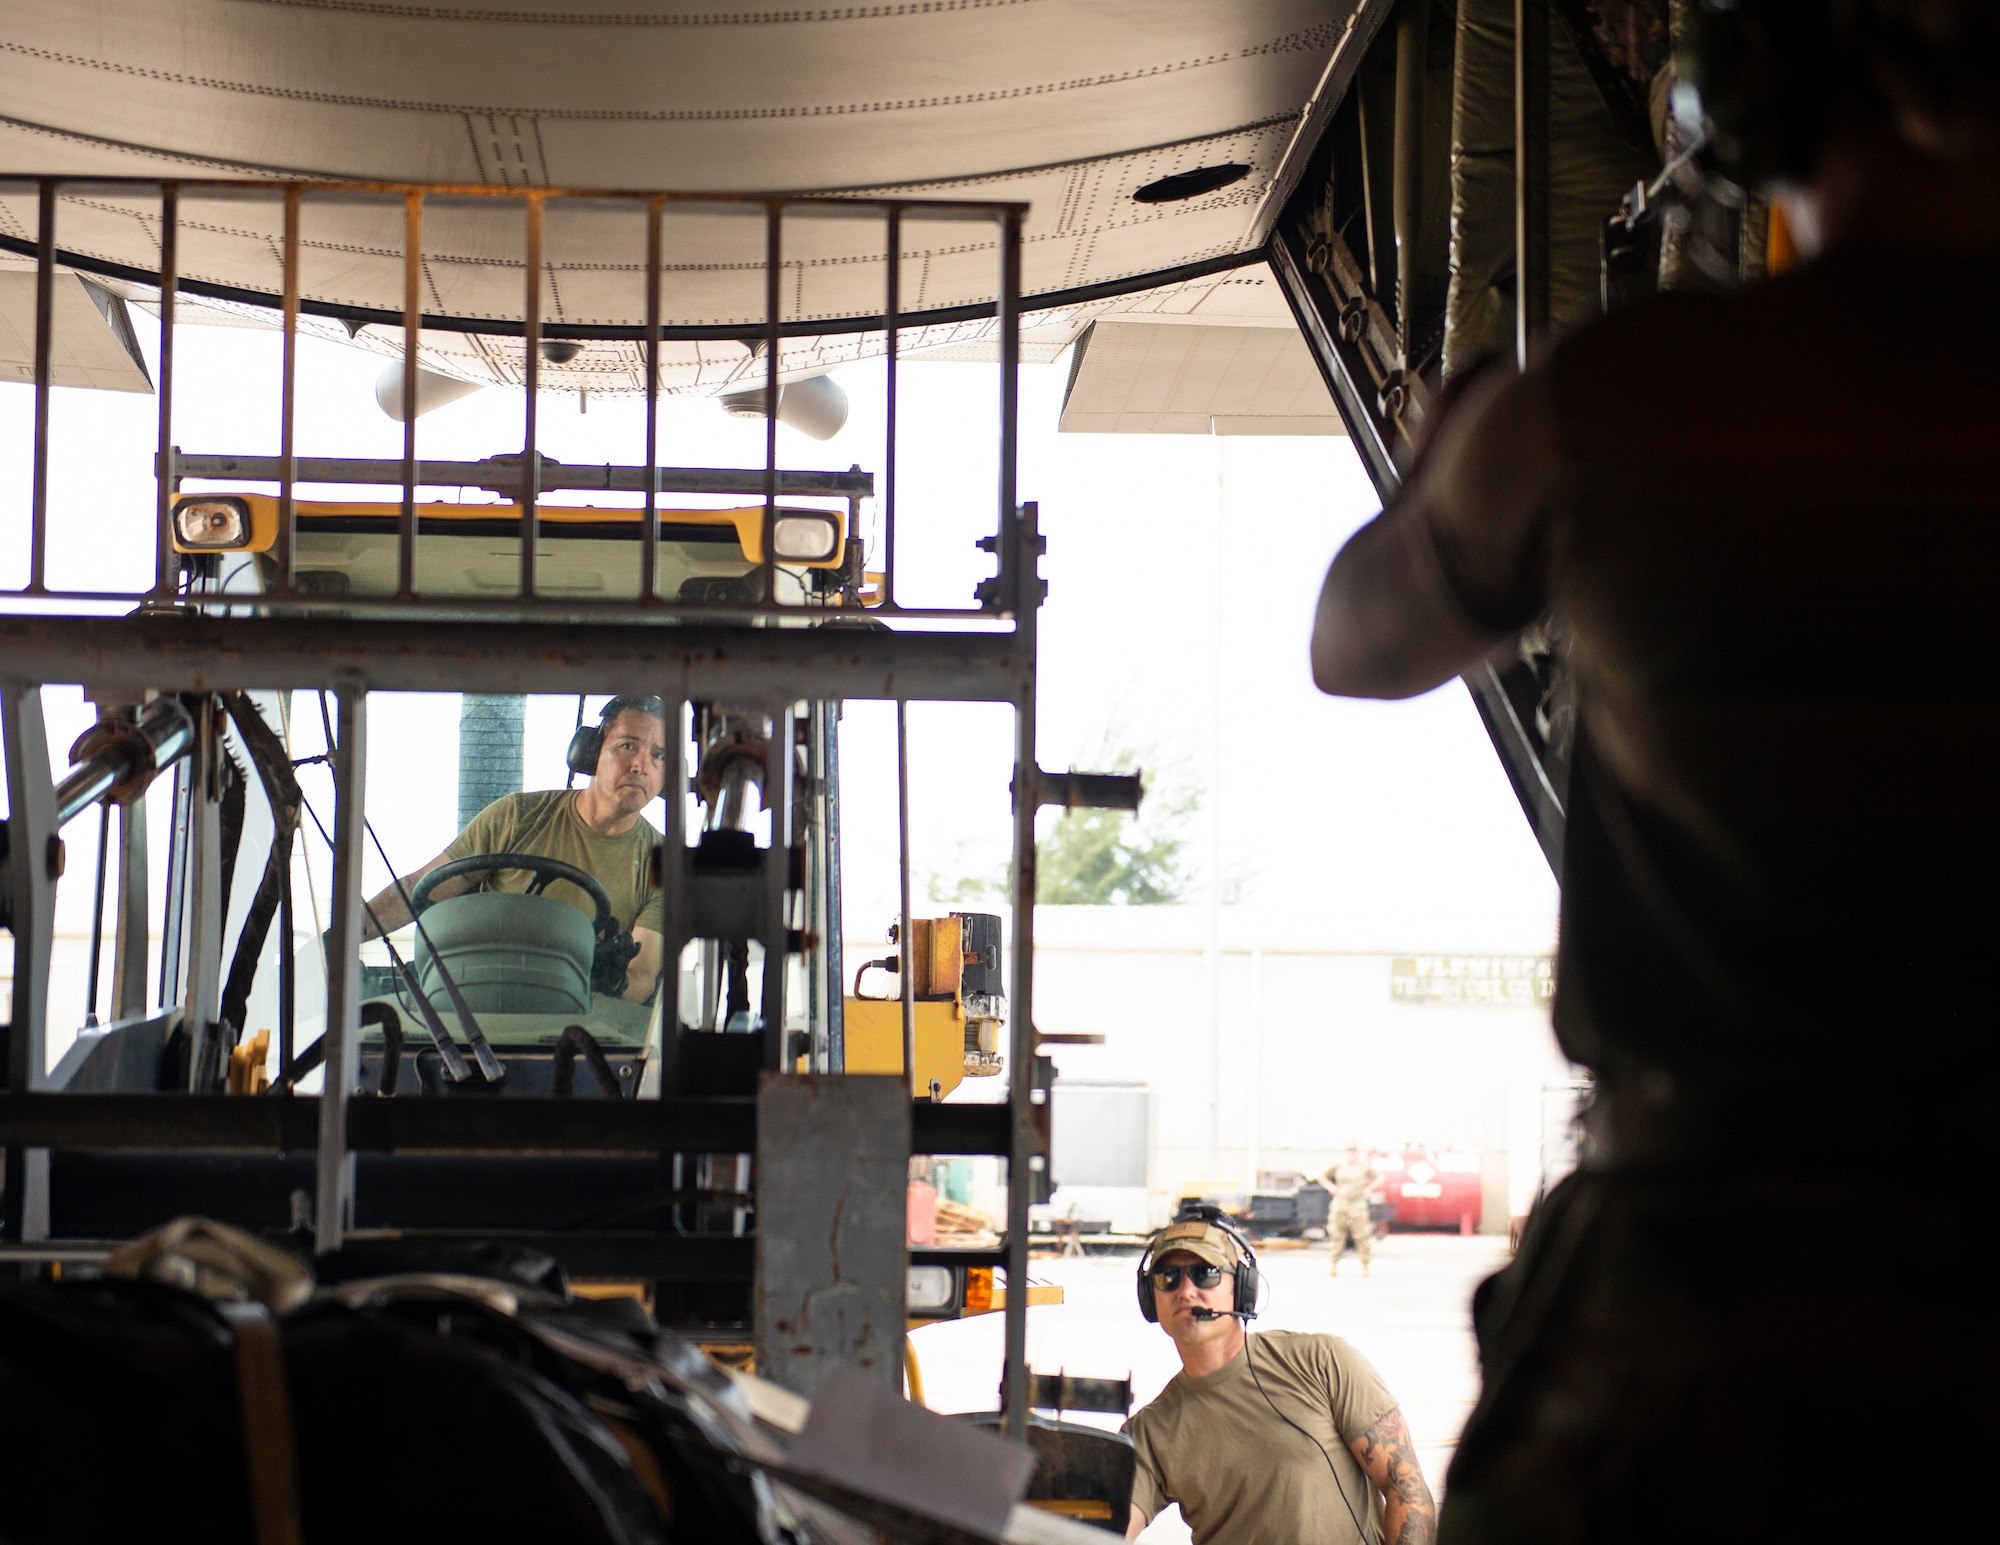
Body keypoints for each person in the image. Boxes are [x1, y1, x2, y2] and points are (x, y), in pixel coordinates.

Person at [1309, 4, 1999, 1540]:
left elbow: (1357, 642)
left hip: (1710, 1319)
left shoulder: (1633, 402)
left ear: (1770, 111)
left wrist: (1457, 443)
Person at [1122, 1210, 1434, 1545]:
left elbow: (1406, 1486)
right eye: (1167, 1277)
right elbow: (1106, 1530)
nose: (1185, 1291)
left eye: (1205, 1273)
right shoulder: (1150, 1432)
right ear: (1149, 1297)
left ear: (1241, 1287)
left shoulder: (1321, 1363)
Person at [361, 695, 669, 1003]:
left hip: (575, 1028)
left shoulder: (662, 863)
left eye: (658, 755)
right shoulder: (517, 817)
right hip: (472, 1012)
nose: (642, 766)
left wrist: (610, 979)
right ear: (591, 751)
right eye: (628, 746)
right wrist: (340, 940)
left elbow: (643, 975)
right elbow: (419, 889)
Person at [1318, 1143, 1379, 1277]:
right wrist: (1331, 1188)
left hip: (1357, 1203)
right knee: (1336, 1233)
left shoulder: (1363, 1166)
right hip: (1341, 1202)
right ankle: (1333, 1264)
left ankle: (1365, 1265)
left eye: (1354, 1150)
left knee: (1362, 1235)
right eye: (1349, 1150)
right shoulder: (1340, 1165)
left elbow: (1380, 1177)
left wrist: (1370, 1189)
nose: (1351, 1152)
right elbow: (1321, 1175)